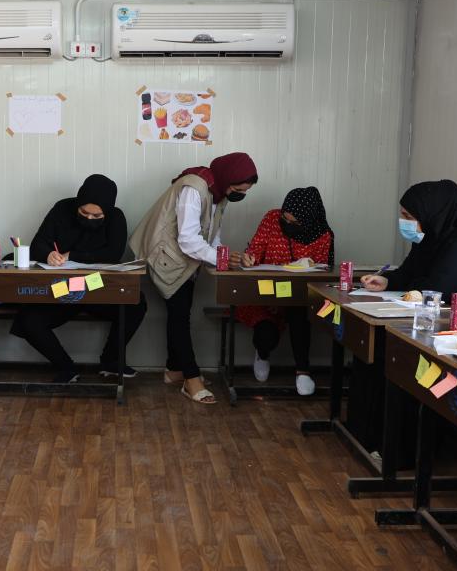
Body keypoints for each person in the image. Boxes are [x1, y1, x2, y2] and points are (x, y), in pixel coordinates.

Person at [130, 152, 257, 404]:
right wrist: (219, 258)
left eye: (244, 190)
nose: (239, 194)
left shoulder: (219, 193)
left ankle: (174, 370)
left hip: (182, 259)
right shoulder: (194, 188)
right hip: (166, 255)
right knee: (179, 317)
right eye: (237, 188)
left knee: (180, 312)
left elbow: (212, 235)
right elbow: (188, 239)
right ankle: (191, 378)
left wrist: (227, 256)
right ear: (226, 178)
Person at [10, 174, 147, 383]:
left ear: (107, 212)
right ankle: (66, 368)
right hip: (63, 287)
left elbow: (113, 254)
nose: (89, 219)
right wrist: (48, 254)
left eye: (96, 216)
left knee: (136, 303)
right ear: (78, 203)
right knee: (29, 320)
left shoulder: (116, 217)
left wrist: (72, 256)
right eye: (84, 213)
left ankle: (111, 361)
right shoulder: (62, 209)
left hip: (96, 285)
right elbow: (38, 243)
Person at [235, 186, 334, 395]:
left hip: (299, 295)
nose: (286, 224)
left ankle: (303, 370)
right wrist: (249, 257)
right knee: (265, 334)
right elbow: (255, 248)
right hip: (266, 292)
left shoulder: (323, 235)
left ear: (307, 220)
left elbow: (323, 273)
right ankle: (262, 354)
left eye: (293, 222)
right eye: (285, 219)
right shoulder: (272, 218)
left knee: (300, 315)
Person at [361, 179, 457, 323]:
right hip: (431, 321)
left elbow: (434, 291)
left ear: (431, 214)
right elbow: (408, 273)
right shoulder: (430, 236)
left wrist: (413, 284)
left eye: (408, 216)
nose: (403, 221)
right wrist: (387, 281)